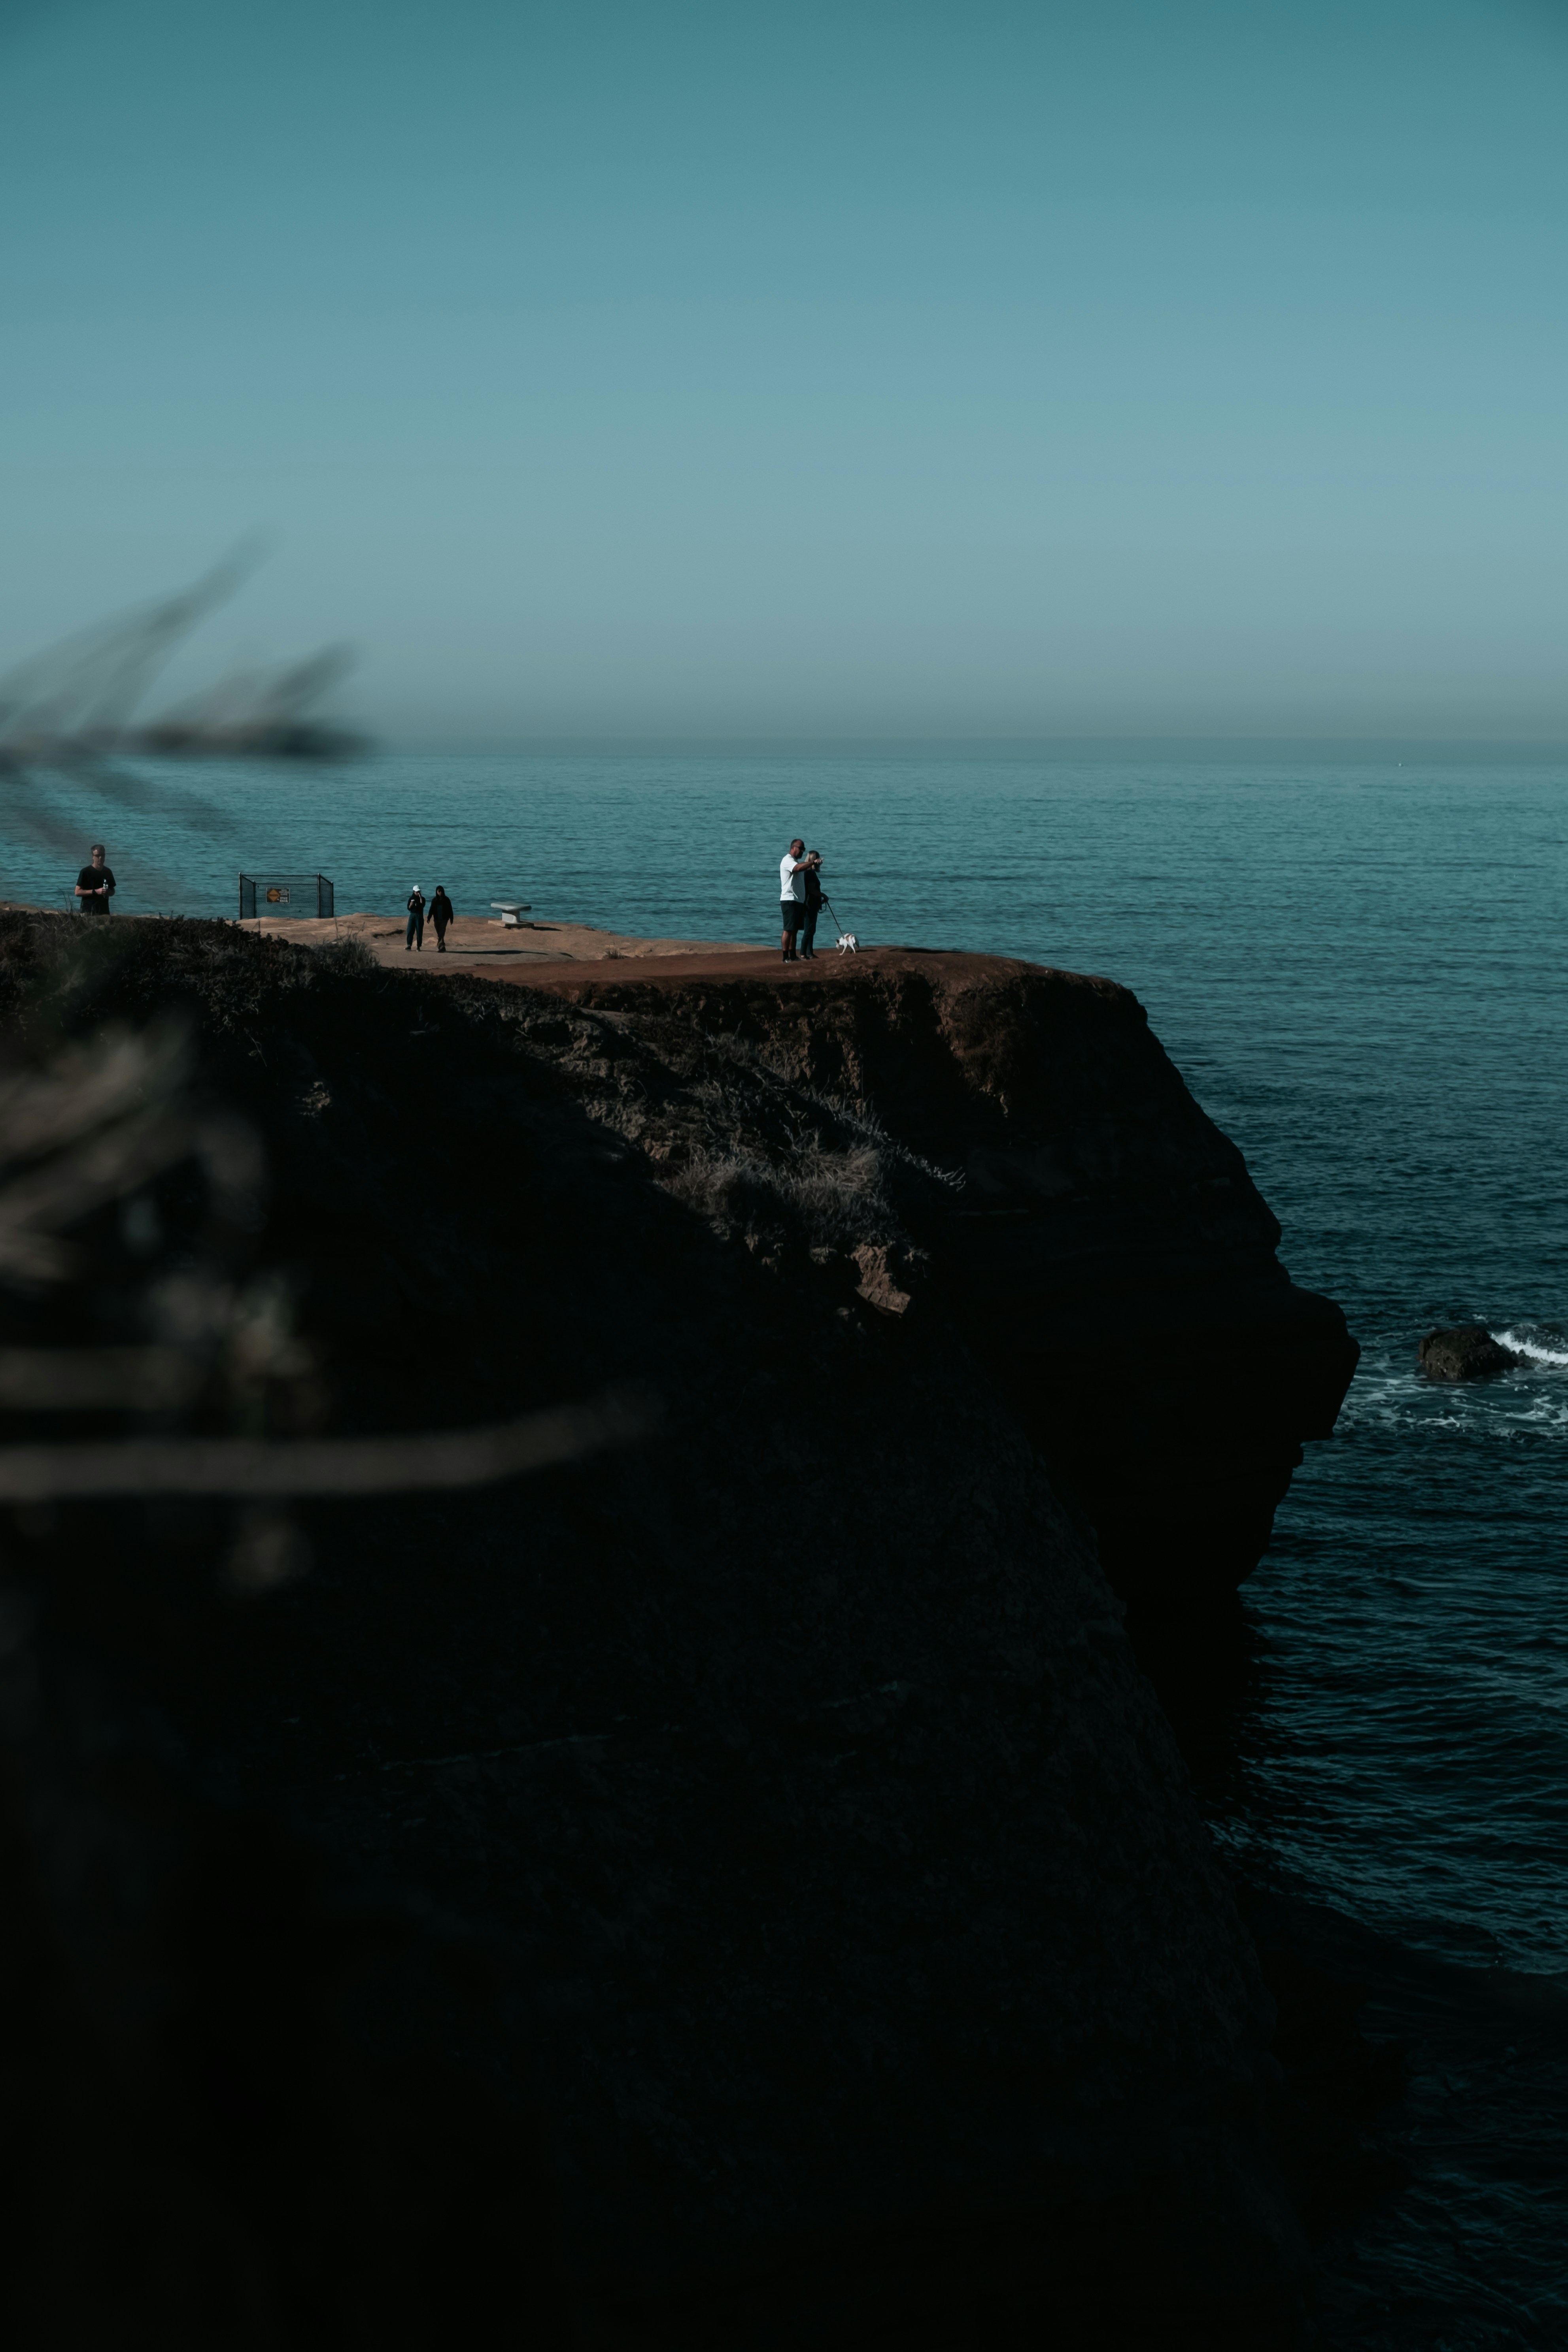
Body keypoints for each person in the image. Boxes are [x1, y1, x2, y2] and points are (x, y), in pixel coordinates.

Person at [778, 839, 818, 963]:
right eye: (801, 849)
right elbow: (797, 868)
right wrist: (812, 862)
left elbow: (800, 867)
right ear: (794, 848)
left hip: (798, 901)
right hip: (789, 900)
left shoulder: (795, 861)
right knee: (788, 929)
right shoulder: (788, 860)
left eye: (804, 850)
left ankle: (793, 955)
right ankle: (785, 957)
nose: (802, 852)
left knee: (795, 930)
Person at [74, 843, 115, 915]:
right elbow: (77, 892)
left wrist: (109, 892)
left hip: (104, 912)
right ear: (93, 857)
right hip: (88, 911)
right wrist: (96, 891)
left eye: (103, 855)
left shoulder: (108, 872)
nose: (100, 858)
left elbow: (113, 891)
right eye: (98, 856)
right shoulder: (85, 872)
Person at [799, 850, 824, 959]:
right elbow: (811, 890)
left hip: (811, 904)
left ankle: (809, 952)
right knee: (809, 929)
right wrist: (824, 895)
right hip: (810, 904)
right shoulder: (810, 873)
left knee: (811, 930)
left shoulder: (808, 873)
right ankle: (804, 953)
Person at [429, 886, 453, 951]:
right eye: (439, 891)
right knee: (439, 933)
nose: (441, 893)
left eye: (442, 891)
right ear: (437, 892)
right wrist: (429, 917)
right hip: (437, 919)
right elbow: (431, 909)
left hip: (445, 919)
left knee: (442, 932)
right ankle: (443, 946)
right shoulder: (435, 900)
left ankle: (439, 947)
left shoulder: (447, 900)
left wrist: (452, 918)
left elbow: (450, 909)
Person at [406, 885, 426, 951]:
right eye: (417, 892)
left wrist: (420, 898)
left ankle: (419, 946)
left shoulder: (423, 899)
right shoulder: (411, 899)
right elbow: (409, 908)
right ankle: (409, 945)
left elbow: (422, 905)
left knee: (419, 931)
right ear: (414, 892)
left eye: (419, 892)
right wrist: (411, 905)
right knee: (410, 930)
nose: (418, 893)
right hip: (412, 915)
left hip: (419, 916)